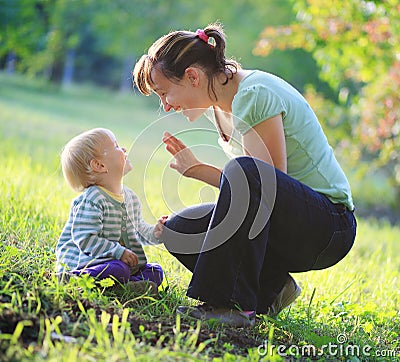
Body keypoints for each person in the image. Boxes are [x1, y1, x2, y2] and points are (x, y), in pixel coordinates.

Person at [133, 23, 357, 326]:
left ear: (193, 77)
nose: (166, 105)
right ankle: (272, 288)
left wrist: (203, 171)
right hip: (290, 220)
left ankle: (229, 307)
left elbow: (265, 181)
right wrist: (199, 171)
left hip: (329, 227)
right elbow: (253, 189)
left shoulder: (252, 94)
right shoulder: (220, 105)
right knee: (179, 230)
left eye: (164, 92)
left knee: (246, 172)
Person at [56, 128, 166, 294]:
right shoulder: (93, 199)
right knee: (118, 269)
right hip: (87, 261)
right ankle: (74, 278)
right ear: (100, 165)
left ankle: (121, 288)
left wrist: (155, 233)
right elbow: (85, 238)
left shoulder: (130, 198)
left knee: (155, 272)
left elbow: (138, 231)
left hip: (116, 262)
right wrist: (117, 251)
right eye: (116, 146)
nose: (124, 149)